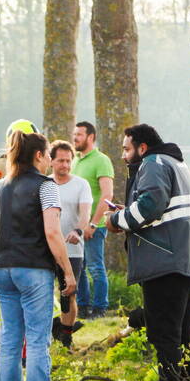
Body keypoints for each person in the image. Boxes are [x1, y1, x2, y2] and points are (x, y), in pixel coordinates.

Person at [107, 124, 190, 381]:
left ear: (142, 148)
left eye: (127, 149)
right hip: (189, 260)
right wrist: (128, 210)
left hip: (165, 264)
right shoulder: (176, 163)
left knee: (164, 336)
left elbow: (151, 206)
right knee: (183, 335)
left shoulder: (152, 163)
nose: (124, 156)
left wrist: (117, 219)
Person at [0, 130, 77, 381]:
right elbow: (52, 232)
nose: (52, 161)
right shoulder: (46, 186)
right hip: (33, 269)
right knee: (38, 340)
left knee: (10, 341)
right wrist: (67, 270)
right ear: (40, 156)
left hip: (2, 268)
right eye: (49, 155)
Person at [0, 119, 39, 343]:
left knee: (5, 276)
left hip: (8, 228)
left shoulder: (22, 166)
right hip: (7, 228)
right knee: (7, 277)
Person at [48, 140, 91, 348]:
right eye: (60, 161)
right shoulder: (44, 184)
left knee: (68, 294)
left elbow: (85, 215)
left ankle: (66, 336)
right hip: (47, 249)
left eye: (68, 161)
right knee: (44, 293)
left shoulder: (81, 185)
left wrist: (78, 230)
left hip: (73, 249)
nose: (64, 165)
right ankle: (45, 334)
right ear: (51, 161)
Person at [71, 121, 115, 318]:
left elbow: (107, 195)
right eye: (74, 134)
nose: (75, 138)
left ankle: (99, 308)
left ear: (91, 137)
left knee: (95, 267)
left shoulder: (101, 160)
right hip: (77, 226)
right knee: (78, 267)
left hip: (94, 226)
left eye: (79, 134)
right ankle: (82, 307)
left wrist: (93, 224)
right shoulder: (75, 161)